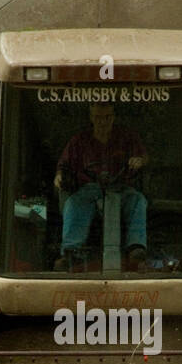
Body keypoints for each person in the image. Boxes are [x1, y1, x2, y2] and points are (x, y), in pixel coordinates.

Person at [53, 103, 148, 271]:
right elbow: (63, 165)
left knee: (138, 200)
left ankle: (136, 247)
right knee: (74, 204)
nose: (102, 122)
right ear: (91, 118)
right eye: (98, 117)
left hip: (120, 186)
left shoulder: (126, 137)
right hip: (89, 189)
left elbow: (142, 156)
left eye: (107, 117)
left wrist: (139, 161)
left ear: (113, 117)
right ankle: (70, 253)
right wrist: (59, 176)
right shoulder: (79, 140)